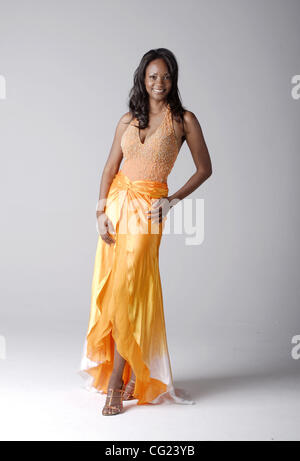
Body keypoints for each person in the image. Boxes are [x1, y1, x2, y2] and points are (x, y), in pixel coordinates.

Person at [79, 48, 212, 416]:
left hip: (149, 211)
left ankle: (115, 384)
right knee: (116, 286)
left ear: (174, 80)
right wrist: (101, 211)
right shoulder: (127, 120)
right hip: (118, 208)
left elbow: (205, 168)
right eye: (153, 76)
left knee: (129, 288)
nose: (160, 83)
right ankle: (135, 369)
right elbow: (109, 168)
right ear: (143, 79)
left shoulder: (183, 121)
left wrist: (171, 201)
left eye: (166, 76)